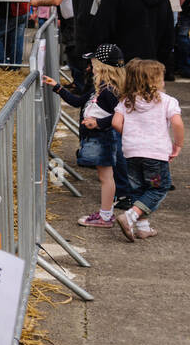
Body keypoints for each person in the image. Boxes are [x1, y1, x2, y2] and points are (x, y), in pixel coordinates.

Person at [43, 44, 127, 228]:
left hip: (104, 138)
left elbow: (122, 115)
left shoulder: (110, 91)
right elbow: (78, 101)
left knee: (106, 177)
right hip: (97, 138)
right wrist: (57, 87)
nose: (89, 66)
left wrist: (98, 123)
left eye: (93, 62)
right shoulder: (98, 87)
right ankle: (106, 213)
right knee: (104, 176)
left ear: (102, 65)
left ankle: (105, 216)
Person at [112, 59, 185, 241]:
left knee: (138, 189)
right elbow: (177, 123)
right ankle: (130, 216)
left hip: (131, 152)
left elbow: (115, 122)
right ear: (154, 81)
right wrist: (178, 145)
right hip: (155, 154)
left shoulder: (126, 101)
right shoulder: (168, 101)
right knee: (158, 188)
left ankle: (143, 228)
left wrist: (131, 136)